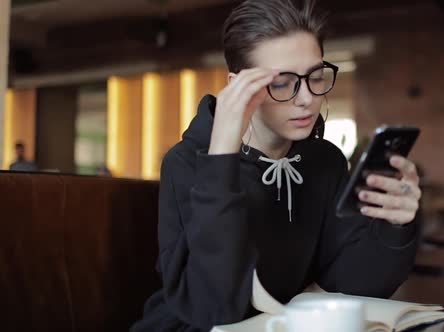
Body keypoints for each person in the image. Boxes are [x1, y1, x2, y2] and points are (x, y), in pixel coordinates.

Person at [132, 1, 422, 331]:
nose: (307, 98)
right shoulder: (186, 163)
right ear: (237, 86)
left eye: (315, 76)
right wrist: (222, 157)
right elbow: (214, 307)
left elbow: (353, 283)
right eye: (283, 82)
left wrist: (395, 226)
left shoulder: (324, 162)